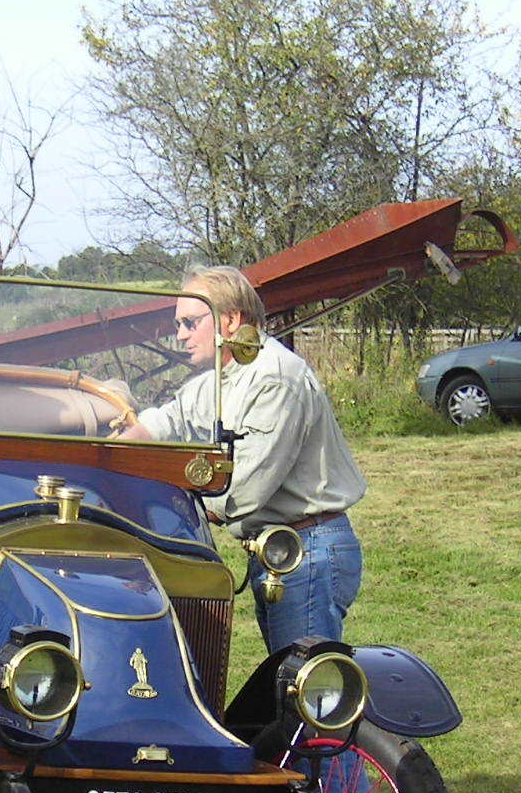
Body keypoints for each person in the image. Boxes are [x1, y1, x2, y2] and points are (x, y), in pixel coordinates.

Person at [118, 265, 367, 654]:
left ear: (231, 320)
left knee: (303, 688)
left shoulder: (275, 378)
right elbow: (168, 420)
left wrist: (171, 501)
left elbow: (243, 488)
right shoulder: (221, 380)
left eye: (189, 321)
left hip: (308, 548)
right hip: (277, 547)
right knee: (284, 684)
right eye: (178, 323)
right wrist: (106, 445)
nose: (180, 334)